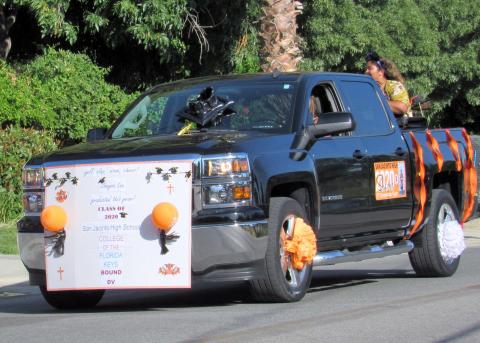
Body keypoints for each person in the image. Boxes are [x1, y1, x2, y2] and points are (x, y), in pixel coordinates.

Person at [365, 52, 412, 117]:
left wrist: (376, 101)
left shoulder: (394, 85)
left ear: (381, 72)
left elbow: (402, 108)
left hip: (402, 125)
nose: (366, 71)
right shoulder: (369, 88)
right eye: (366, 69)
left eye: (370, 68)